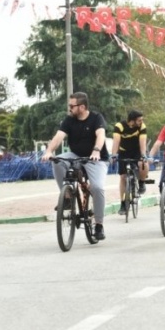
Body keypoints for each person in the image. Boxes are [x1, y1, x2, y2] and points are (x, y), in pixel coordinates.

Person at [41, 92, 109, 240]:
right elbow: (58, 137)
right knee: (57, 161)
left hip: (96, 159)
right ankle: (66, 197)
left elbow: (101, 135)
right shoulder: (69, 120)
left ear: (82, 107)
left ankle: (99, 225)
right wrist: (49, 151)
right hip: (76, 156)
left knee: (97, 187)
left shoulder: (96, 118)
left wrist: (96, 150)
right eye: (69, 106)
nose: (69, 108)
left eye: (72, 106)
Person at [111, 110, 149, 215]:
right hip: (124, 152)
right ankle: (123, 203)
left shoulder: (142, 127)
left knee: (143, 164)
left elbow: (142, 142)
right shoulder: (120, 126)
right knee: (123, 177)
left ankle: (141, 182)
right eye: (139, 120)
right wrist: (114, 155)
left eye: (142, 120)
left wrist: (143, 156)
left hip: (137, 151)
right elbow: (116, 141)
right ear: (132, 120)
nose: (141, 122)